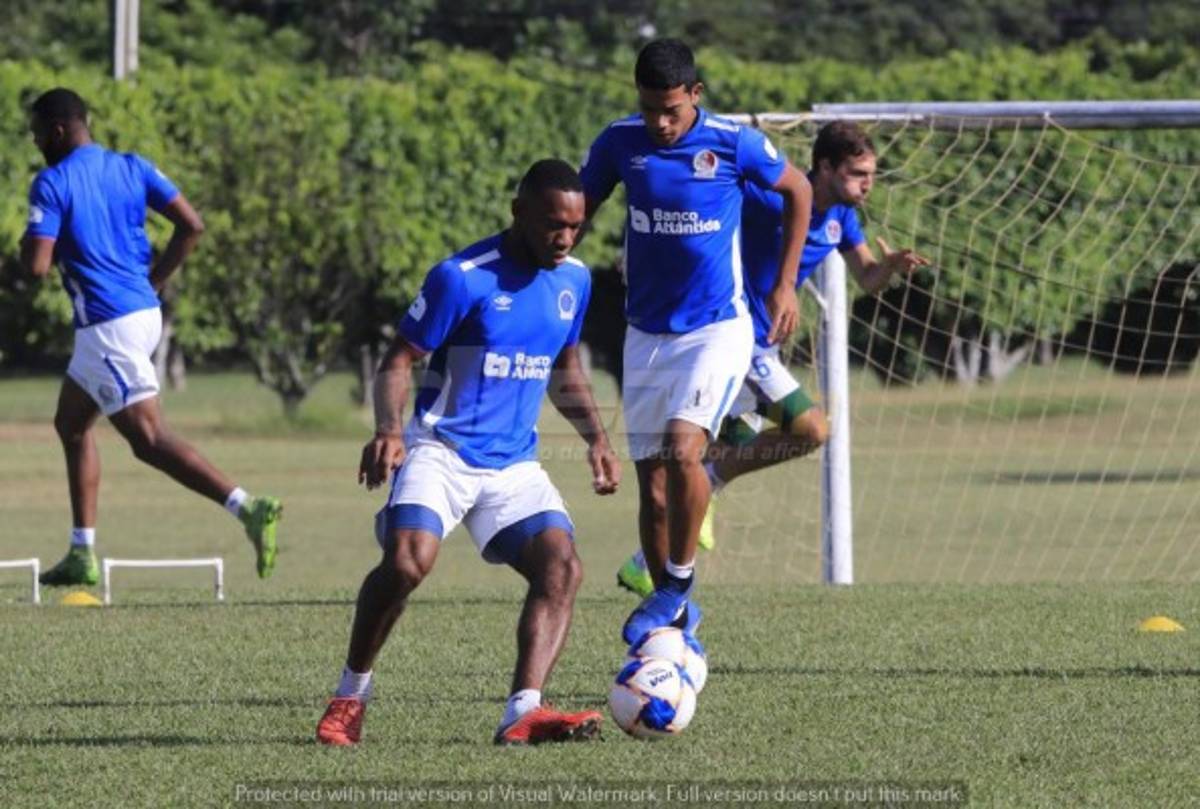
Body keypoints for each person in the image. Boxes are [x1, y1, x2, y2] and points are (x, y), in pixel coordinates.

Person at [315, 159, 620, 747]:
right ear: (519, 212)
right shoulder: (462, 277)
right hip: (441, 449)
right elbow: (398, 359)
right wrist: (390, 429)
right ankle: (350, 695)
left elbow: (565, 368)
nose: (566, 237)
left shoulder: (575, 281)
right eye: (555, 224)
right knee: (406, 563)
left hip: (514, 466)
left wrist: (598, 440)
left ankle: (522, 712)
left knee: (563, 568)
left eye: (577, 226)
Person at [615, 121, 929, 596]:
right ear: (823, 167)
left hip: (762, 349)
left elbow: (865, 277)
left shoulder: (843, 218)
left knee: (728, 443)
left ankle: (650, 560)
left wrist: (888, 268)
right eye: (857, 173)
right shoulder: (764, 199)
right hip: (735, 343)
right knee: (811, 429)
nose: (868, 183)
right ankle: (695, 502)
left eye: (871, 173)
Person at [579, 39, 812, 645]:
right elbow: (576, 214)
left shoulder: (734, 144)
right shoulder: (618, 143)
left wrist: (786, 284)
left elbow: (800, 190)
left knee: (685, 450)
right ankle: (674, 630)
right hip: (644, 334)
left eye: (672, 111)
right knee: (654, 494)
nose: (660, 122)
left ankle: (676, 585)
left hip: (717, 328)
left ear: (696, 96)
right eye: (650, 108)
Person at [19, 88, 283, 587]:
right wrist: (155, 280)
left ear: (57, 131)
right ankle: (82, 552)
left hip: (107, 326)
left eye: (36, 135)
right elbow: (191, 225)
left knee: (149, 438)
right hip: (140, 313)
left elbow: (35, 267)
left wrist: (22, 247)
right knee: (72, 424)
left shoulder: (52, 182)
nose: (35, 144)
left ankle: (249, 506)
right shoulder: (133, 166)